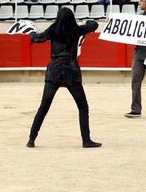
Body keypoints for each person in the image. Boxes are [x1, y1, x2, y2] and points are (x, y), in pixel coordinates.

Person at [26, 8, 102, 149]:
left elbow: (37, 38)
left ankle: (31, 139)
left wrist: (31, 32)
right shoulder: (76, 29)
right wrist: (88, 21)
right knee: (83, 107)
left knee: (43, 107)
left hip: (54, 69)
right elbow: (94, 25)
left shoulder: (53, 29)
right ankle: (86, 140)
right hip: (71, 69)